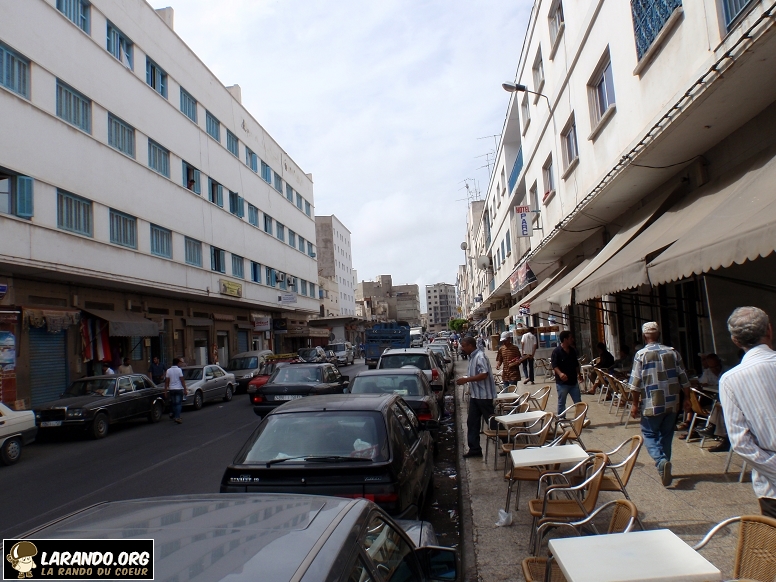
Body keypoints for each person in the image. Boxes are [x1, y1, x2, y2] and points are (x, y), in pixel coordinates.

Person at [719, 306, 776, 518]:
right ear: (769, 330)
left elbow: (740, 442)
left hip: (771, 486)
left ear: (735, 341)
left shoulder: (730, 380)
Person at [629, 322, 690, 487]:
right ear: (659, 334)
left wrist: (634, 404)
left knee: (649, 434)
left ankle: (661, 461)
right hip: (672, 402)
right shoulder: (673, 352)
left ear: (644, 336)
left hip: (651, 403)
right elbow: (684, 378)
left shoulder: (641, 355)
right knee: (667, 435)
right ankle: (664, 466)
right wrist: (687, 398)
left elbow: (635, 383)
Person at [457, 336, 497, 458]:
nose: (462, 348)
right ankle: (475, 449)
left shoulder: (480, 356)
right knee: (472, 422)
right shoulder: (472, 357)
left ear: (470, 345)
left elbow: (484, 374)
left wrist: (467, 380)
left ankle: (509, 441)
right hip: (476, 395)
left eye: (464, 346)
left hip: (484, 396)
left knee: (492, 422)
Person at [551, 330, 583, 416]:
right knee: (562, 401)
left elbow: (576, 364)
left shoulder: (572, 351)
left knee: (578, 401)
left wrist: (579, 374)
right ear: (565, 339)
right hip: (562, 383)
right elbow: (554, 365)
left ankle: (581, 417)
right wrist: (560, 374)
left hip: (573, 381)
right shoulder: (556, 352)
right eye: (570, 338)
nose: (572, 339)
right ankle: (561, 417)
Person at [165, 357, 188, 424]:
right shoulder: (179, 370)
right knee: (178, 404)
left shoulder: (168, 370)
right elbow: (182, 380)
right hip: (178, 389)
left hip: (171, 389)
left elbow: (166, 381)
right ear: (177, 363)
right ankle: (177, 417)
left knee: (174, 403)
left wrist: (165, 391)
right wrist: (185, 389)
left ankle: (174, 415)